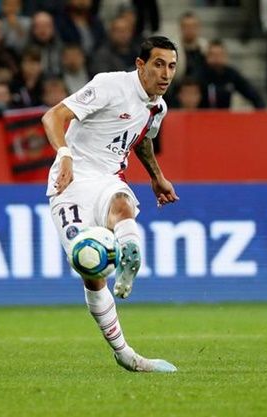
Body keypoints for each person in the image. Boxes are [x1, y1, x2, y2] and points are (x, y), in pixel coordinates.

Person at [41, 36, 180, 373]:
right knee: (91, 267)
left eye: (172, 66)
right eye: (158, 64)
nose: (165, 74)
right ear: (140, 65)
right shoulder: (109, 85)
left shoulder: (157, 107)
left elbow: (142, 142)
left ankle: (130, 254)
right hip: (71, 181)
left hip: (107, 179)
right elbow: (53, 117)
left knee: (121, 203)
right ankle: (123, 352)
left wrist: (156, 176)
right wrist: (65, 154)